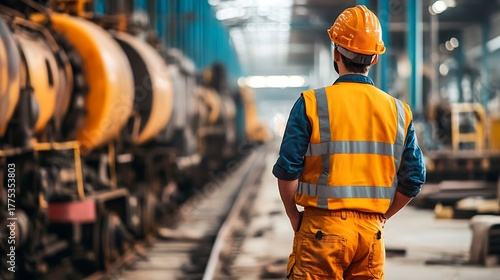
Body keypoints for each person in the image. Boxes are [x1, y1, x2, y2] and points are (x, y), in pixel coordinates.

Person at [272, 5, 426, 280]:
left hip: (321, 231)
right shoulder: (399, 111)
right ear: (375, 59)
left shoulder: (311, 103)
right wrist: (381, 217)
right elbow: (414, 178)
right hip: (370, 236)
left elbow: (287, 170)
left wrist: (293, 215)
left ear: (335, 53)